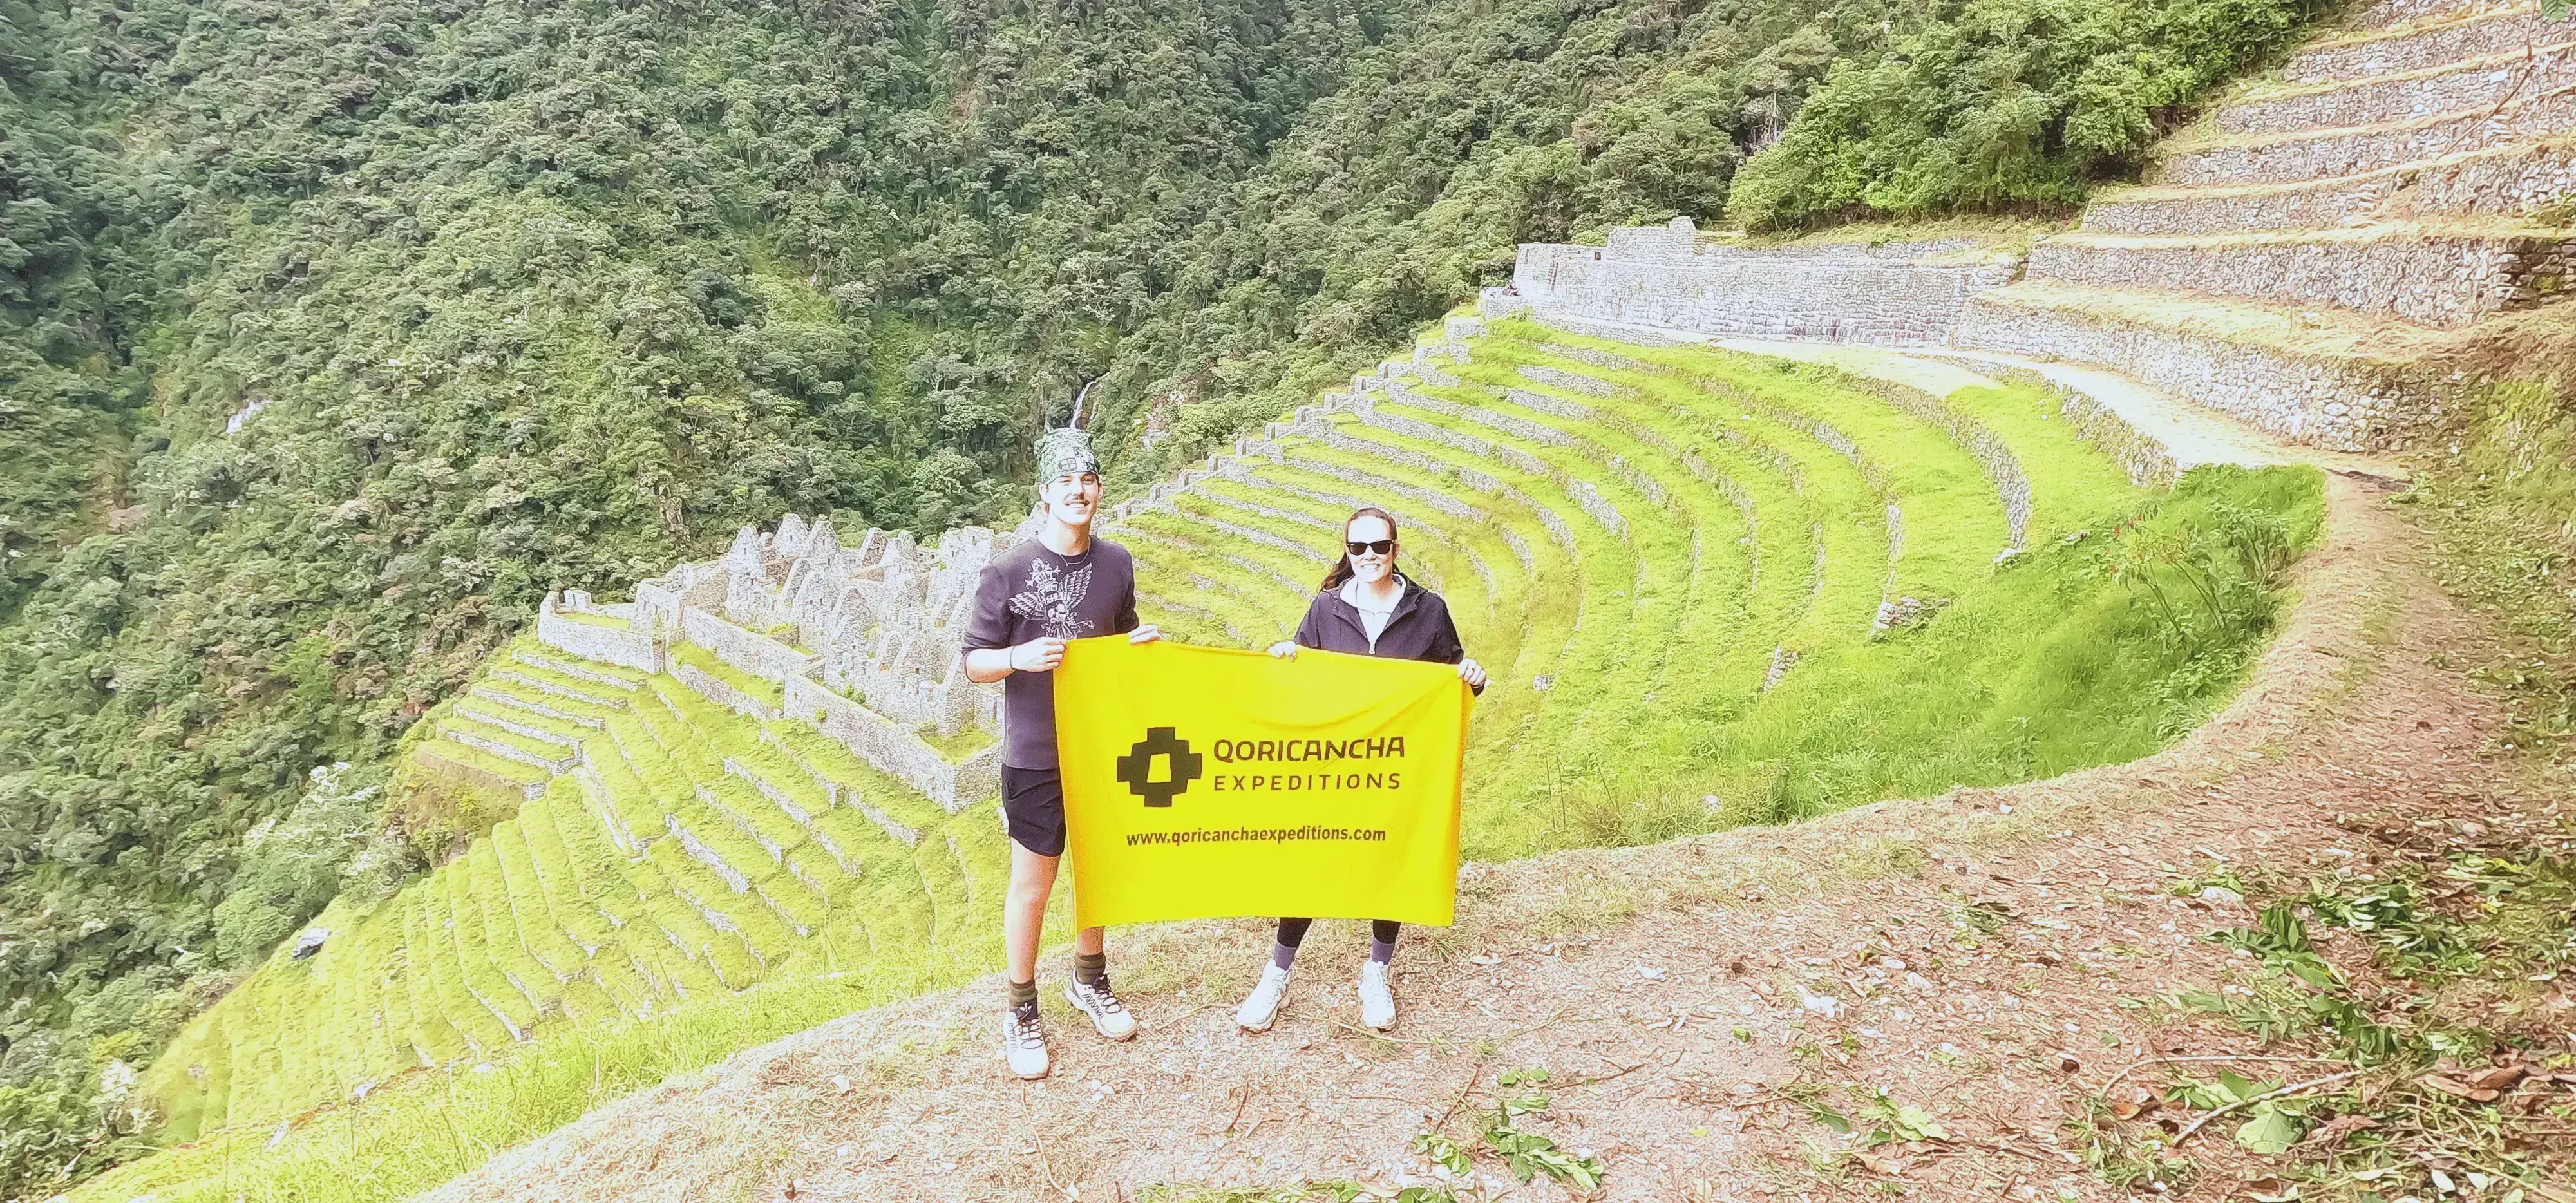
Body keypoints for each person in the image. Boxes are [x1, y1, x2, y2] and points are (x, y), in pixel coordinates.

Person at [1236, 506, 1484, 1034]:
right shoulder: (1327, 608)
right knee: (1311, 866)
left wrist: (1472, 678)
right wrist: (1286, 657)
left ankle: (1377, 972)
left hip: (1396, 766)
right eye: (1358, 548)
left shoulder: (1429, 610)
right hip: (1334, 766)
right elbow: (1303, 670)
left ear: (1396, 550)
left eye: (1379, 547)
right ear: (1347, 553)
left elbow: (1448, 679)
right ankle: (1276, 974)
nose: (1369, 557)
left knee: (1388, 864)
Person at [962, 425, 1161, 1080]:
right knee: (1034, 883)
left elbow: (1122, 637)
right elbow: (974, 663)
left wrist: (1142, 648)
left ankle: (1089, 977)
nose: (1079, 491)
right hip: (1036, 753)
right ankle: (1020, 1006)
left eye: (1089, 480)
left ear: (1099, 488)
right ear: (1044, 494)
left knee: (1100, 870)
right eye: (1066, 482)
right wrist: (1017, 656)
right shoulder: (1008, 570)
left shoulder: (1117, 562)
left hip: (1103, 745)